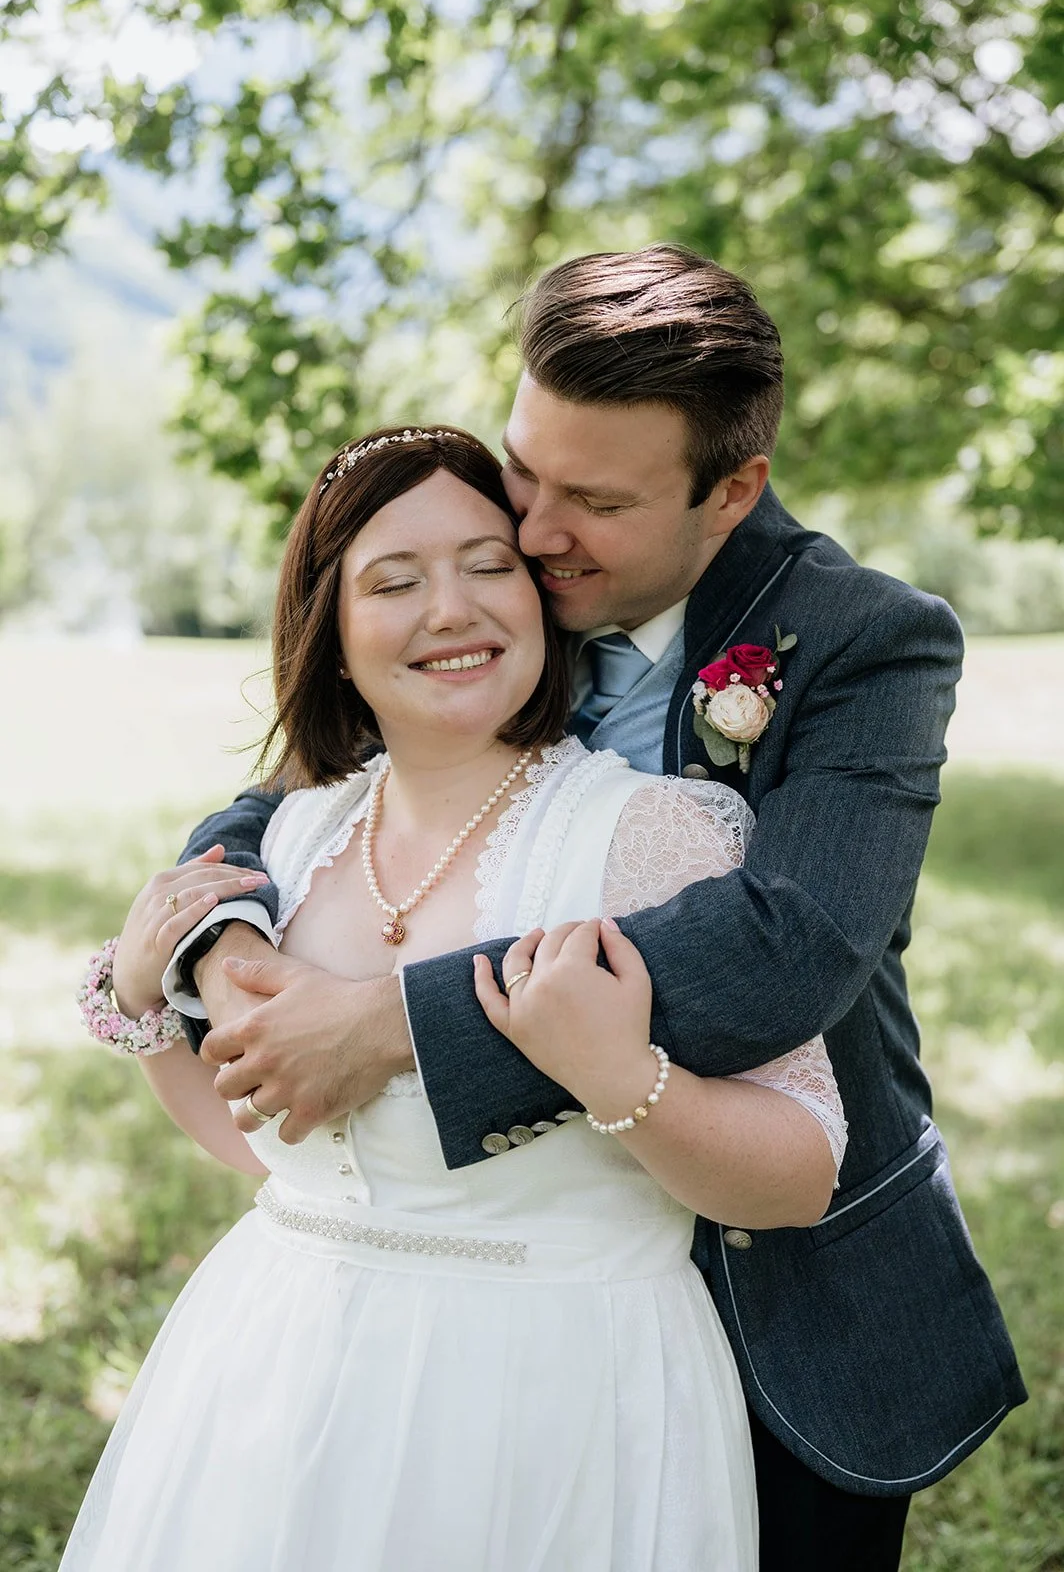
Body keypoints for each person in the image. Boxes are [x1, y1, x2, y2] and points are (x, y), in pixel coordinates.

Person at [164, 247, 1024, 1571]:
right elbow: (289, 792)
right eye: (527, 470)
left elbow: (786, 948)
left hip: (790, 1276)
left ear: (730, 490)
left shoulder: (863, 639)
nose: (536, 529)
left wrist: (391, 1024)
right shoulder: (496, 592)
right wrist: (222, 946)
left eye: (598, 501)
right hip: (511, 1298)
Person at [64, 425, 850, 1570]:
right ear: (332, 633)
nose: (451, 609)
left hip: (556, 1407)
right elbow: (271, 1154)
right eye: (394, 581)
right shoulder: (294, 838)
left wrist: (617, 1076)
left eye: (488, 565)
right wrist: (143, 1006)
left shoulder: (645, 836)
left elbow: (800, 1169)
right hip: (272, 1374)